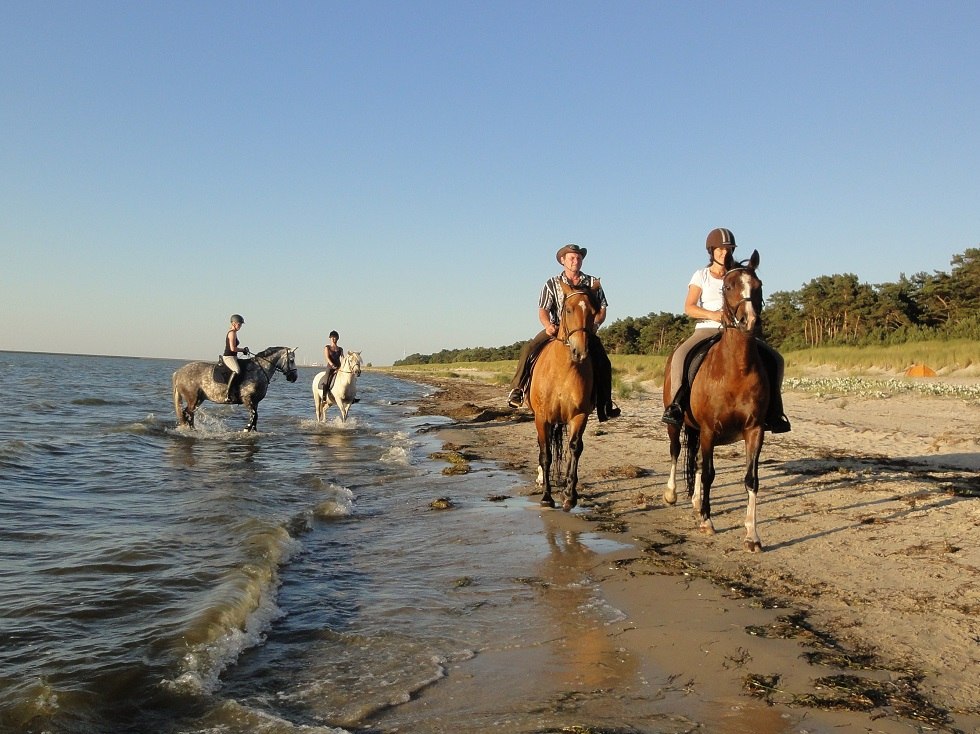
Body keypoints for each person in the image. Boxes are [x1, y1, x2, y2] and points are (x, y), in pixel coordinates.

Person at [661, 228, 791, 433]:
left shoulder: (737, 274)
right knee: (680, 357)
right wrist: (714, 315)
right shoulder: (701, 275)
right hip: (707, 329)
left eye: (728, 249)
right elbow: (689, 307)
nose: (724, 253)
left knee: (776, 359)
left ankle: (774, 410)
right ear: (711, 251)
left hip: (737, 332)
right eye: (720, 249)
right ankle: (676, 406)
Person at [507, 243, 621, 422]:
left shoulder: (593, 283)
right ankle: (518, 389)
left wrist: (595, 325)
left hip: (584, 329)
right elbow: (543, 309)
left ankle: (605, 403)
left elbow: (602, 309)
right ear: (563, 261)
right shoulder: (551, 283)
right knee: (529, 349)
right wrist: (547, 325)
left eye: (579, 258)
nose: (576, 261)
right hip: (558, 329)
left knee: (603, 361)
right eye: (572, 258)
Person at [222, 314, 250, 402]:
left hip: (234, 356)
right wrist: (243, 350)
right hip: (228, 357)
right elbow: (232, 348)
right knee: (237, 370)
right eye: (239, 324)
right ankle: (228, 394)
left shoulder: (234, 332)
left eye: (241, 325)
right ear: (233, 323)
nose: (240, 326)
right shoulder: (232, 333)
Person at [321, 330, 344, 397]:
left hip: (339, 367)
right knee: (326, 379)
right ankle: (324, 395)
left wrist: (343, 365)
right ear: (330, 338)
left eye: (335, 337)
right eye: (332, 337)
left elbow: (342, 358)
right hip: (330, 367)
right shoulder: (327, 347)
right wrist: (332, 365)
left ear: (337, 338)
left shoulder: (340, 349)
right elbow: (327, 357)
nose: (334, 339)